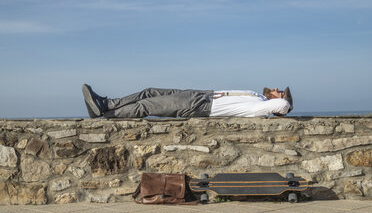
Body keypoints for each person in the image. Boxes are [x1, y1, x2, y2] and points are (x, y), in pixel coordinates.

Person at [82, 84, 293, 118]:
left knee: (147, 106)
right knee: (149, 92)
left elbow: (284, 106)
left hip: (200, 106)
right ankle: (108, 104)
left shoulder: (262, 108)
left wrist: (286, 102)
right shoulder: (258, 96)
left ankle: (104, 115)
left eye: (280, 91)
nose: (276, 89)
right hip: (201, 95)